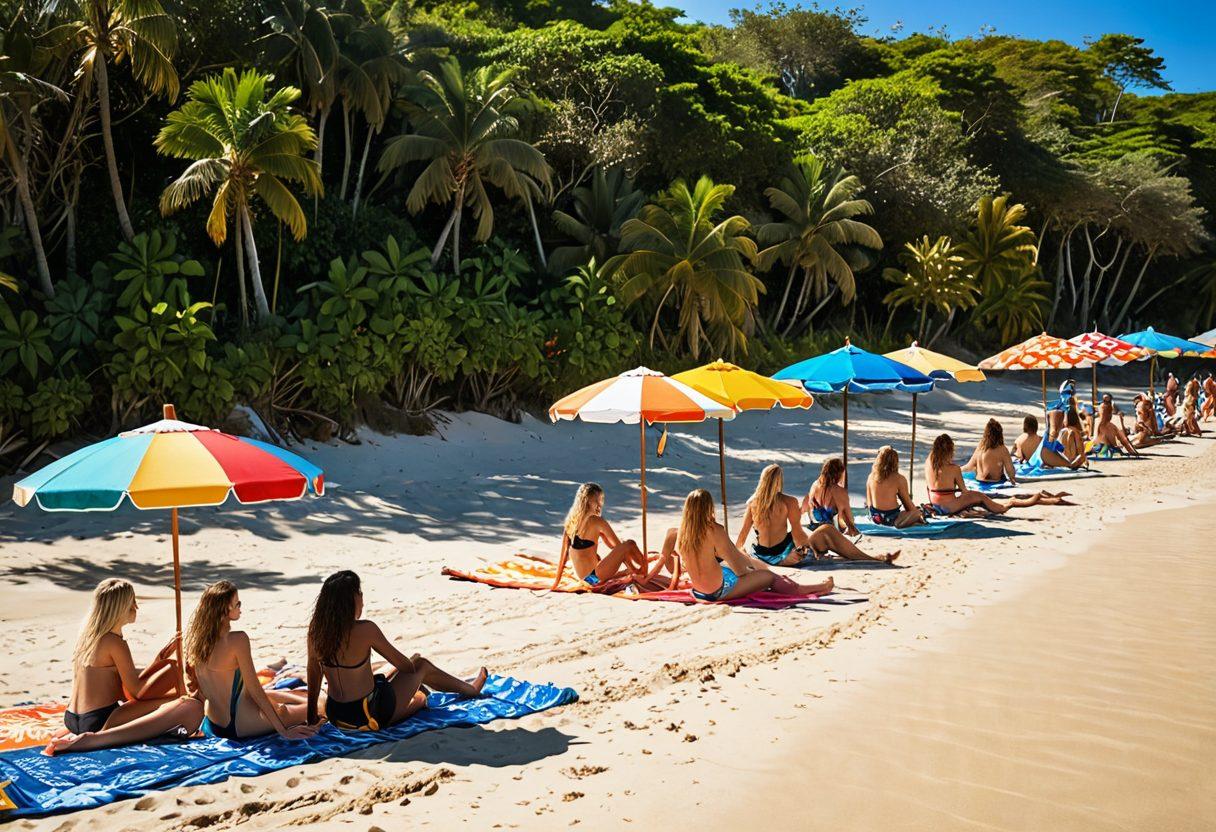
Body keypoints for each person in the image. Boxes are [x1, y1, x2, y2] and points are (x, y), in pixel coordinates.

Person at [307, 571, 487, 732]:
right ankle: (470, 690)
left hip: (336, 715)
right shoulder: (366, 630)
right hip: (368, 714)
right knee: (421, 668)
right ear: (352, 599)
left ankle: (432, 694)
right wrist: (413, 659)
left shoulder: (316, 633)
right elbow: (407, 667)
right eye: (359, 593)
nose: (362, 597)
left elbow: (314, 674)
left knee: (389, 678)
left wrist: (311, 715)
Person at [44, 579, 203, 755]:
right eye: (132, 602)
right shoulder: (115, 642)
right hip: (99, 719)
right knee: (186, 704)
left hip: (73, 717)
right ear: (120, 608)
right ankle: (96, 739)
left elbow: (123, 676)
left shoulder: (89, 636)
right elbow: (136, 691)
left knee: (173, 699)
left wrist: (159, 660)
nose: (137, 607)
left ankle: (83, 734)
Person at [188, 581, 318, 741]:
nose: (240, 608)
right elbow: (255, 689)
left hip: (213, 723)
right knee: (317, 707)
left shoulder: (198, 643)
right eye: (237, 604)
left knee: (274, 695)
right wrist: (283, 731)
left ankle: (305, 696)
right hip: (240, 725)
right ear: (225, 609)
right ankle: (316, 696)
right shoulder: (237, 640)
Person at [655, 490, 834, 602]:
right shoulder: (714, 530)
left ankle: (803, 585)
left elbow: (671, 568)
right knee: (769, 577)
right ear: (708, 507)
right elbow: (740, 569)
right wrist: (756, 577)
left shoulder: (675, 532)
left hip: (698, 590)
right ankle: (817, 588)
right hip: (718, 592)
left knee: (734, 570)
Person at [737, 464, 895, 565]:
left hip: (762, 555)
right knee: (827, 530)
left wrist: (741, 557)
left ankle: (868, 557)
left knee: (825, 535)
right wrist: (805, 550)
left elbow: (741, 537)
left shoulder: (752, 504)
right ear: (779, 481)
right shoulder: (788, 501)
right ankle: (871, 558)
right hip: (784, 555)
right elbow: (798, 532)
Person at [924, 434, 1070, 516]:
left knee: (976, 498)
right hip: (948, 507)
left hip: (935, 503)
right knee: (979, 496)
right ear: (949, 450)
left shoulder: (927, 463)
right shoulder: (954, 468)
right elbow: (964, 491)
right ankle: (1006, 505)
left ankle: (1009, 503)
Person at [554, 483, 647, 587]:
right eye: (597, 500)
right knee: (630, 544)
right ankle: (643, 569)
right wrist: (632, 568)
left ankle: (638, 568)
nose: (600, 504)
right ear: (589, 500)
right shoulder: (597, 521)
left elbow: (563, 557)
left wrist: (556, 583)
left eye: (600, 500)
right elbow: (619, 546)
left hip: (583, 579)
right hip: (592, 579)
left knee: (624, 549)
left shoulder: (570, 522)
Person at [864, 446, 924, 530]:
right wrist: (916, 513)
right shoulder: (899, 479)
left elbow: (869, 503)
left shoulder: (871, 477)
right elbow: (909, 507)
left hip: (875, 518)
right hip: (892, 518)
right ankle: (899, 523)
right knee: (917, 512)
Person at [802, 458, 860, 536]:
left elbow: (806, 507)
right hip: (833, 530)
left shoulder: (815, 484)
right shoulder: (839, 491)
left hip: (815, 528)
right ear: (840, 474)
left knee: (808, 498)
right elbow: (850, 519)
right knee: (844, 513)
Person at [1011, 414, 1085, 469]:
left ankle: (1069, 463)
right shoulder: (1039, 439)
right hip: (1044, 458)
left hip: (1035, 462)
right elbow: (1060, 448)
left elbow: (1018, 457)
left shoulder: (1019, 440)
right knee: (1049, 447)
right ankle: (1069, 464)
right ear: (1035, 426)